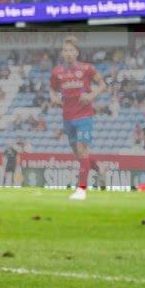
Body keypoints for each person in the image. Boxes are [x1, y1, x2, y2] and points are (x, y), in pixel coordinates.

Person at [49, 35, 103, 200]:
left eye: (71, 50)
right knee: (79, 154)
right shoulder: (57, 72)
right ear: (62, 53)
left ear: (77, 53)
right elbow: (52, 89)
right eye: (65, 50)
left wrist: (91, 96)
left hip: (84, 116)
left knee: (82, 150)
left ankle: (81, 190)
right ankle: (99, 170)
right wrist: (53, 98)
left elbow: (102, 85)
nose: (68, 53)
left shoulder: (87, 69)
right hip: (67, 117)